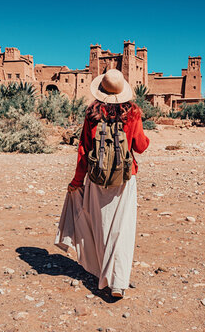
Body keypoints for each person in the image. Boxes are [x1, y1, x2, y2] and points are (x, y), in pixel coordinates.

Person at [62, 69, 150, 298]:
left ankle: (103, 273)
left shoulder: (92, 113)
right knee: (122, 229)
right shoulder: (133, 113)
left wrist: (76, 181)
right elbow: (140, 146)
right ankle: (118, 282)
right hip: (125, 179)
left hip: (96, 179)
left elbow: (83, 150)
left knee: (101, 227)